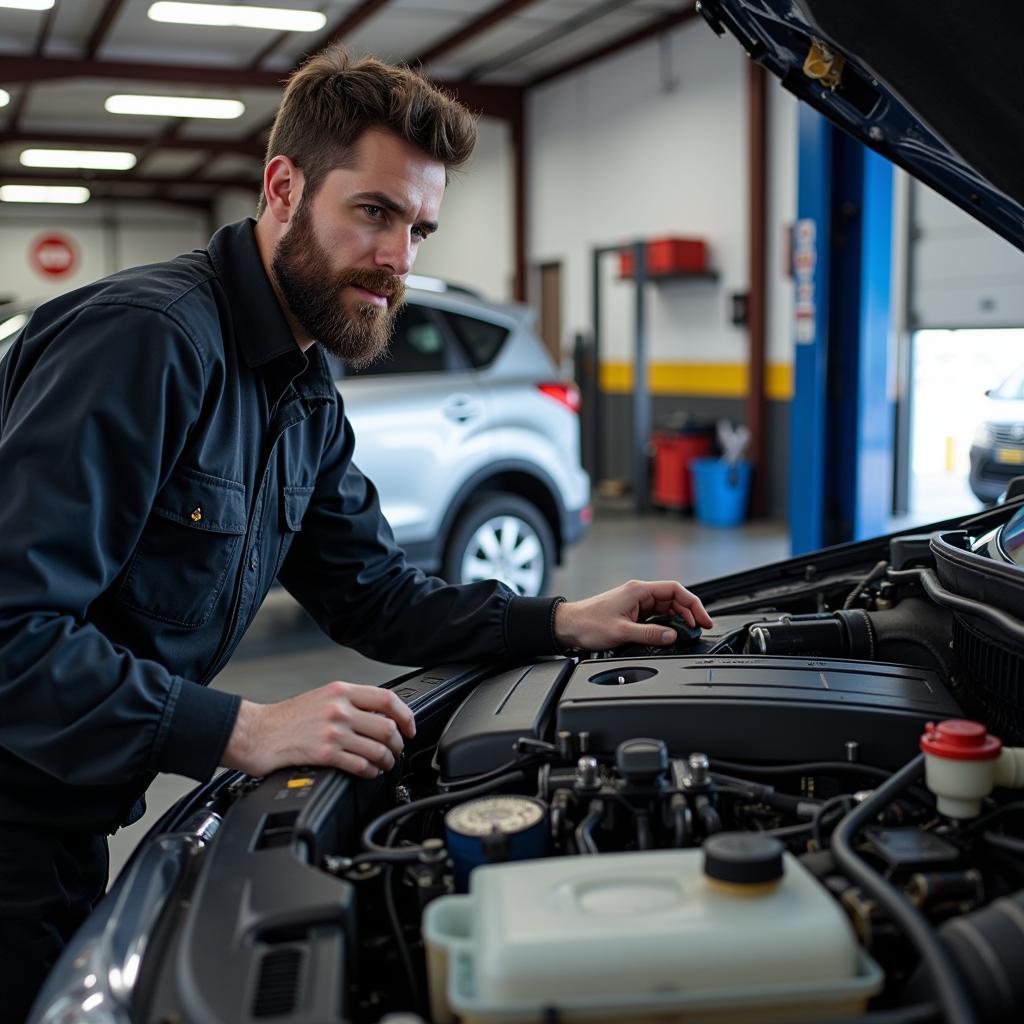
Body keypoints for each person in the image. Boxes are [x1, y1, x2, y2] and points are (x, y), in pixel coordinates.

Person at [0, 45, 713, 1019]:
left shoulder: (303, 390)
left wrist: (565, 620)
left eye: (419, 227)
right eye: (373, 213)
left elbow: (374, 591)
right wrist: (243, 728)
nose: (399, 259)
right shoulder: (148, 342)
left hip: (64, 800)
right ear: (284, 186)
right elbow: (11, 634)